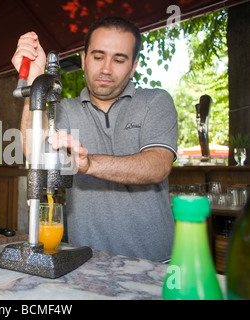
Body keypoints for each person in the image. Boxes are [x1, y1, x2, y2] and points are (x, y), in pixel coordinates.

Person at [12, 17, 178, 262]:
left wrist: (89, 164)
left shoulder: (155, 101)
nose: (106, 69)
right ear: (83, 59)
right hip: (87, 262)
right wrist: (34, 83)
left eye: (119, 59)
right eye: (98, 57)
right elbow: (33, 153)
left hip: (156, 264)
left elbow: (158, 166)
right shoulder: (64, 109)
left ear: (133, 67)